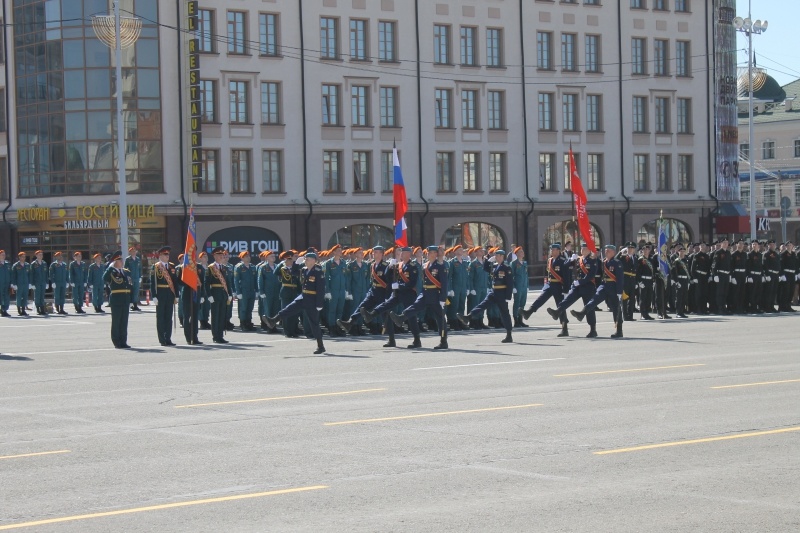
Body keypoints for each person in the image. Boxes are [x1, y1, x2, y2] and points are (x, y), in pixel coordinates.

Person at [348, 246, 418, 348]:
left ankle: (417, 339)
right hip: (398, 293)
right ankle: (371, 315)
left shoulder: (413, 266)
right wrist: (390, 267)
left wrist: (399, 286)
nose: (401, 254)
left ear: (409, 254)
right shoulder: (399, 265)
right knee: (385, 305)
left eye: (403, 252)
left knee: (411, 316)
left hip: (408, 294)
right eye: (400, 252)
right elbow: (388, 276)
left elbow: (412, 283)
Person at [264, 249, 326, 354]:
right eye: (305, 259)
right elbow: (293, 272)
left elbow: (321, 289)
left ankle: (320, 346)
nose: (305, 260)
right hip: (303, 297)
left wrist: (319, 304)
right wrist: (296, 264)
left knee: (314, 323)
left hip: (312, 299)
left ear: (313, 260)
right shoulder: (304, 269)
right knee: (288, 309)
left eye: (307, 259)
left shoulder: (318, 271)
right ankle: (273, 320)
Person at [389, 245, 449, 350]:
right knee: (414, 307)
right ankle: (401, 318)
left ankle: (443, 341)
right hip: (425, 293)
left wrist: (443, 298)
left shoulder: (440, 266)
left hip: (435, 294)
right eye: (429, 253)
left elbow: (444, 283)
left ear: (436, 254)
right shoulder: (425, 265)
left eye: (433, 253)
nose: (431, 254)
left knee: (440, 318)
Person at [458, 248, 514, 343]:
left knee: (504, 313)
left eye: (497, 255)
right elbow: (486, 269)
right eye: (495, 255)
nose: (495, 257)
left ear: (501, 256)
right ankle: (468, 317)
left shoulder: (506, 267)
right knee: (482, 305)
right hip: (494, 291)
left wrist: (508, 296)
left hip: (502, 292)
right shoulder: (496, 265)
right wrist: (488, 261)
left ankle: (509, 334)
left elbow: (510, 282)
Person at [570, 244, 624, 338]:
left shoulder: (617, 263)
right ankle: (582, 313)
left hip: (613, 287)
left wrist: (619, 292)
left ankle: (619, 330)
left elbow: (620, 278)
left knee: (616, 309)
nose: (606, 252)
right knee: (593, 300)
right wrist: (593, 256)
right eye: (606, 250)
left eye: (608, 251)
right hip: (604, 286)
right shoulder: (604, 261)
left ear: (613, 252)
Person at [546, 243, 599, 337]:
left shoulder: (593, 261)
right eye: (581, 248)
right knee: (568, 299)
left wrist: (581, 282)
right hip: (577, 286)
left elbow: (591, 275)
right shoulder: (578, 259)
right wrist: (571, 259)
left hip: (588, 286)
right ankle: (557, 311)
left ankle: (593, 329)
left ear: (589, 250)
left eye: (584, 248)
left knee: (589, 308)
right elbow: (565, 265)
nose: (582, 250)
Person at [522, 243, 570, 337]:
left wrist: (566, 290)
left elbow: (567, 277)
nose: (552, 251)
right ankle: (529, 312)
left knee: (560, 307)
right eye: (551, 250)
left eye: (554, 250)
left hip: (558, 286)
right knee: (540, 299)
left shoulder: (563, 261)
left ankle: (564, 329)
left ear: (558, 250)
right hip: (550, 285)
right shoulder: (550, 260)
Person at [103, 251, 132, 349]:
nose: (122, 261)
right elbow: (104, 278)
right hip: (116, 299)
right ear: (115, 262)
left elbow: (130, 285)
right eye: (119, 260)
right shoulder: (111, 272)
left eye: (121, 259)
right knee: (116, 321)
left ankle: (123, 341)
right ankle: (116, 341)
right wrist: (110, 267)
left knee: (124, 321)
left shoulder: (126, 271)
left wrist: (131, 300)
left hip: (125, 299)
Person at [151, 246, 178, 346]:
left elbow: (175, 282)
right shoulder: (156, 266)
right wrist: (154, 296)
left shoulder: (171, 266)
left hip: (169, 294)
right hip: (161, 294)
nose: (167, 256)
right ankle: (162, 339)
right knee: (161, 317)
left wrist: (176, 295)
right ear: (161, 255)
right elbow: (153, 283)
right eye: (165, 254)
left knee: (168, 317)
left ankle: (168, 338)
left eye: (168, 254)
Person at [205, 246, 232, 343]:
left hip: (223, 294)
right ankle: (215, 336)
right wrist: (209, 295)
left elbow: (228, 282)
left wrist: (230, 294)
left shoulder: (224, 268)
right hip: (215, 294)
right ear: (214, 256)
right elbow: (206, 283)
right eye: (219, 255)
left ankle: (220, 335)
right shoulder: (211, 268)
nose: (221, 256)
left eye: (222, 255)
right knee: (215, 316)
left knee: (222, 316)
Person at [324, 244, 347, 336]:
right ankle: (332, 328)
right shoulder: (329, 263)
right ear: (333, 252)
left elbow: (346, 277)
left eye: (340, 250)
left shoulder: (343, 263)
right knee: (332, 310)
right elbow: (326, 278)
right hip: (333, 290)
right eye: (338, 250)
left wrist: (347, 290)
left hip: (342, 290)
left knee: (340, 310)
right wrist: (327, 291)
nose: (340, 252)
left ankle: (338, 327)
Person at [257, 250, 281, 333]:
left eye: (274, 256)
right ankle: (269, 327)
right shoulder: (263, 267)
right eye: (271, 256)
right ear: (266, 258)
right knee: (268, 309)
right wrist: (261, 291)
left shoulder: (277, 266)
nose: (273, 257)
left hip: (276, 291)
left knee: (275, 309)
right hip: (267, 291)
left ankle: (274, 326)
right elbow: (260, 280)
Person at [446, 245, 469, 331]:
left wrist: (467, 287)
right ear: (455, 252)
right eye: (459, 250)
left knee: (462, 305)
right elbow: (449, 277)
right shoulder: (452, 262)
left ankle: (461, 322)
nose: (461, 251)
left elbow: (467, 277)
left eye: (462, 249)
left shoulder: (465, 262)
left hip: (463, 287)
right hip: (455, 287)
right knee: (454, 306)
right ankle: (453, 322)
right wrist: (450, 289)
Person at [233, 250, 257, 331]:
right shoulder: (239, 267)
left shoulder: (252, 267)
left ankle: (248, 322)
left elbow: (255, 279)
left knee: (250, 308)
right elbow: (236, 280)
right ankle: (243, 323)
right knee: (243, 308)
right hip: (243, 291)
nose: (248, 258)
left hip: (251, 290)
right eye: (246, 256)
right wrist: (238, 292)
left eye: (249, 256)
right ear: (242, 258)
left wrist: (256, 290)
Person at [467, 247, 490, 329]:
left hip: (484, 287)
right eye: (480, 251)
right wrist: (471, 288)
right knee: (475, 305)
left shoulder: (485, 263)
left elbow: (487, 276)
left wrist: (488, 286)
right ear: (475, 253)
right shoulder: (473, 264)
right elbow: (470, 277)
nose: (482, 252)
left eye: (482, 251)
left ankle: (480, 321)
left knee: (482, 305)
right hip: (476, 287)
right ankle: (474, 321)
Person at [711, 236, 733, 315]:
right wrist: (715, 274)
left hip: (726, 274)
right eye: (724, 243)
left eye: (726, 243)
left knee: (725, 292)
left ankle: (724, 307)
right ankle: (720, 308)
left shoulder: (728, 253)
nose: (725, 244)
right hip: (720, 274)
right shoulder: (718, 252)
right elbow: (714, 265)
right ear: (721, 244)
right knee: (719, 292)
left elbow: (730, 265)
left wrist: (730, 275)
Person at [636, 243, 655, 320]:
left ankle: (647, 313)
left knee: (648, 298)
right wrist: (639, 282)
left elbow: (652, 271)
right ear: (642, 251)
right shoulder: (640, 260)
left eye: (648, 249)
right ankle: (642, 314)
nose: (646, 251)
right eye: (645, 249)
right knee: (642, 298)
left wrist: (653, 280)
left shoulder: (651, 259)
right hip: (643, 280)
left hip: (649, 281)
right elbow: (637, 272)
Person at [690, 242, 711, 315]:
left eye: (704, 245)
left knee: (704, 293)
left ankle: (704, 309)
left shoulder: (707, 256)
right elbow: (693, 267)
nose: (702, 247)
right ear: (699, 247)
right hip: (698, 276)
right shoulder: (696, 255)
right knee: (698, 294)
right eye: (701, 245)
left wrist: (709, 276)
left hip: (705, 276)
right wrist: (694, 277)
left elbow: (708, 267)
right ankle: (698, 309)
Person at [670, 245, 691, 318]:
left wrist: (688, 281)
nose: (682, 253)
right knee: (678, 297)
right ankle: (678, 312)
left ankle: (682, 312)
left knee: (684, 297)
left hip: (685, 280)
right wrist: (676, 281)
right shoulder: (676, 261)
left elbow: (688, 271)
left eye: (683, 251)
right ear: (678, 252)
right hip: (679, 280)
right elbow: (673, 272)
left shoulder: (686, 260)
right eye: (681, 251)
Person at [510, 246, 529, 327]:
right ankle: (516, 320)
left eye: (523, 251)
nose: (523, 253)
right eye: (521, 252)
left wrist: (527, 285)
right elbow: (511, 276)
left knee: (522, 303)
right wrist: (513, 287)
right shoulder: (513, 263)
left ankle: (520, 320)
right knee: (517, 303)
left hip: (524, 286)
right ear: (517, 253)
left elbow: (526, 275)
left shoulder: (524, 263)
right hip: (517, 286)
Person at [745, 241, 764, 314]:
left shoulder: (760, 255)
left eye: (756, 244)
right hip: (752, 275)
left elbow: (761, 266)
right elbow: (748, 266)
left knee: (758, 292)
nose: (754, 245)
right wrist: (749, 276)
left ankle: (756, 307)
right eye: (753, 244)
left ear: (758, 246)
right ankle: (752, 307)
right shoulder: (749, 254)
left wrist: (762, 275)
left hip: (759, 275)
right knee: (752, 292)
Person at [10, 251, 31, 316]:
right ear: (19, 257)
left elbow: (29, 275)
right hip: (19, 284)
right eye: (22, 257)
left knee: (25, 296)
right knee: (19, 297)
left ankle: (23, 310)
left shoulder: (27, 265)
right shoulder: (16, 265)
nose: (23, 258)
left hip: (25, 283)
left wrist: (30, 283)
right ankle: (19, 309)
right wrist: (14, 284)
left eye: (24, 257)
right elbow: (13, 275)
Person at [124, 247, 143, 311]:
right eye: (132, 251)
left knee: (136, 291)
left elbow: (140, 268)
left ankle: (135, 305)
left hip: (137, 277)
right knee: (130, 292)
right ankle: (131, 305)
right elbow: (125, 268)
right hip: (130, 278)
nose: (133, 252)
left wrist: (140, 277)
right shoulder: (128, 259)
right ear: (130, 252)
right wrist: (127, 276)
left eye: (134, 251)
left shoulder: (138, 259)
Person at [30, 250, 49, 315]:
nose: (41, 256)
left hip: (43, 282)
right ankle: (38, 309)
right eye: (39, 255)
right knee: (37, 296)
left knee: (42, 296)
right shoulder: (33, 264)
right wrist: (32, 283)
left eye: (41, 255)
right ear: (36, 255)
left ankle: (42, 309)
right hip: (36, 282)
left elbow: (46, 273)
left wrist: (47, 282)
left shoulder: (44, 263)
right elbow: (31, 274)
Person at [197, 251, 211, 329]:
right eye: (204, 257)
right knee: (201, 307)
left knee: (207, 306)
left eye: (206, 256)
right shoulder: (199, 267)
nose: (206, 258)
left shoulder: (209, 267)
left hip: (208, 289)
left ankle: (206, 320)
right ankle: (202, 321)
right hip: (201, 289)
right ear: (200, 258)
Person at [0, 250, 11, 317]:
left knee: (6, 297)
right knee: (1, 297)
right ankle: (2, 309)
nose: (3, 256)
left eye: (4, 255)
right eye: (2, 255)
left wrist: (12, 283)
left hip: (7, 283)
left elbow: (11, 273)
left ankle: (5, 310)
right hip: (0, 283)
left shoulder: (7, 264)